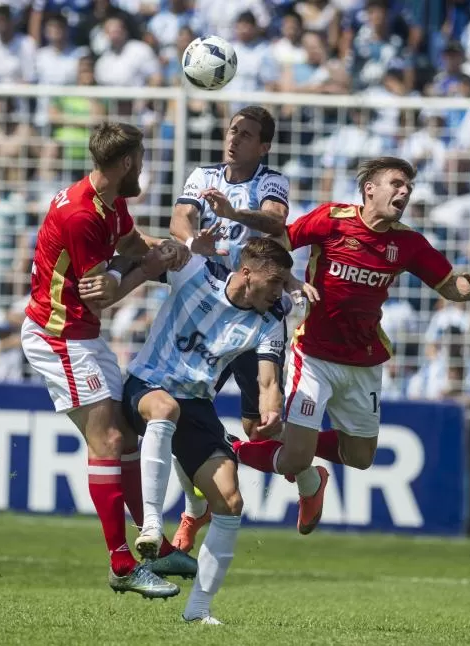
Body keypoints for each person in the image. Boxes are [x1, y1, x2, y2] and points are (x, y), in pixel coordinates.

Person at [230, 157, 470, 534]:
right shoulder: (332, 219)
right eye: (396, 183)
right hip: (315, 355)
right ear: (369, 188)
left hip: (364, 360)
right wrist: (291, 281)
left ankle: (312, 474)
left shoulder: (407, 243)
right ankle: (229, 450)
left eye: (408, 187)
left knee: (360, 457)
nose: (404, 192)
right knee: (294, 458)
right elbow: (277, 243)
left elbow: (451, 286)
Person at [20, 122, 191, 598]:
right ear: (127, 164)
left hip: (81, 335)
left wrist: (170, 252)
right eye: (142, 158)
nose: (145, 167)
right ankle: (121, 565)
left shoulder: (108, 202)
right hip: (60, 336)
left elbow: (132, 249)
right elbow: (102, 293)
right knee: (110, 438)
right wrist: (148, 270)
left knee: (128, 435)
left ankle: (150, 547)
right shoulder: (82, 215)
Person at [121, 237, 293, 624]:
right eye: (276, 282)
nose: (280, 292)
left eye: (285, 284)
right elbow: (139, 250)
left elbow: (268, 384)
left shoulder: (271, 319)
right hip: (147, 385)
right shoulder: (197, 271)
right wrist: (163, 248)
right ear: (246, 273)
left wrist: (271, 413)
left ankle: (198, 610)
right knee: (164, 408)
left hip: (196, 405)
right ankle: (151, 524)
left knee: (230, 501)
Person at [167, 105, 312, 552]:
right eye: (233, 131)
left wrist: (233, 213)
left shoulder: (272, 181)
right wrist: (192, 243)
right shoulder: (202, 174)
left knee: (258, 426)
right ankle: (194, 512)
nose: (235, 139)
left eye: (247, 134)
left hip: (257, 307)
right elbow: (180, 220)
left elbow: (274, 221)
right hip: (210, 304)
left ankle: (308, 476)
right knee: (177, 410)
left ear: (263, 145)